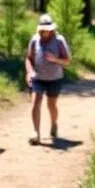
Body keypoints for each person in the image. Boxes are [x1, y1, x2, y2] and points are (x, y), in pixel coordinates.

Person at [25, 13, 71, 146]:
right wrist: (29, 72)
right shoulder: (34, 40)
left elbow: (67, 60)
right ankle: (35, 133)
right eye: (42, 30)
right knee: (35, 103)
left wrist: (55, 59)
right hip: (38, 78)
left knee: (51, 105)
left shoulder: (59, 40)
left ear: (52, 30)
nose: (44, 32)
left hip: (55, 78)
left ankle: (54, 123)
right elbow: (28, 57)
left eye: (47, 30)